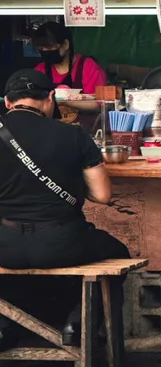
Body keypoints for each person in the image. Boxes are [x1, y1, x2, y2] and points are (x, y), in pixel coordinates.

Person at [0, 69, 128, 348]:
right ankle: (78, 324)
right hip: (63, 244)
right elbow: (103, 195)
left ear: (8, 103)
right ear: (50, 98)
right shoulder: (73, 135)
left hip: (6, 246)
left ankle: (4, 325)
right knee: (119, 251)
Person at [33, 21, 107, 131]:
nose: (45, 52)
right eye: (42, 49)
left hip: (85, 132)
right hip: (50, 132)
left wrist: (65, 101)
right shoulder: (40, 70)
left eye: (49, 48)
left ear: (66, 44)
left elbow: (101, 104)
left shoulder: (89, 67)